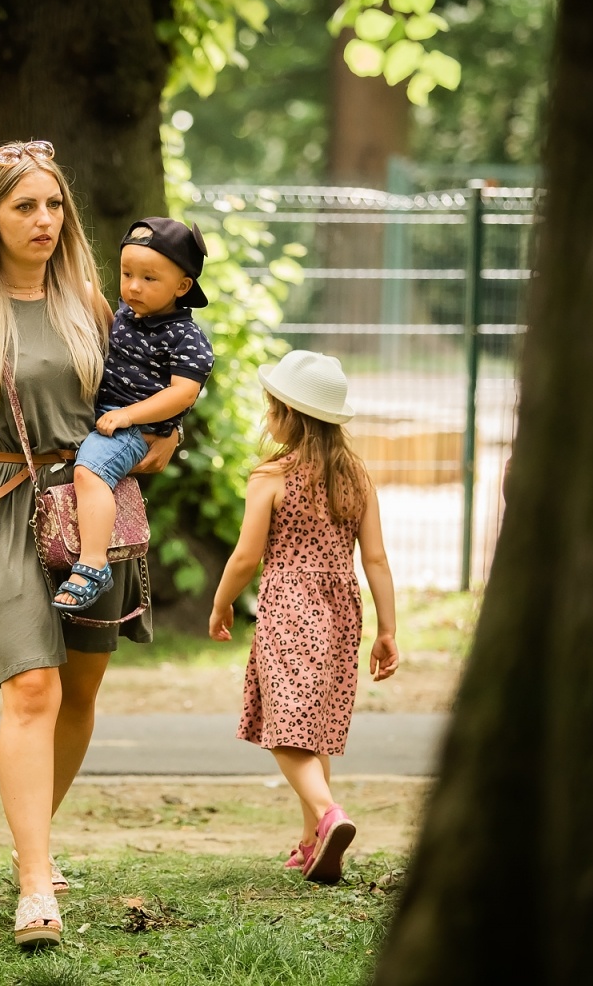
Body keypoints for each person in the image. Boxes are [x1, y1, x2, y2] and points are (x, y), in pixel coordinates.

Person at [0, 139, 179, 948]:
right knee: (33, 690)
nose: (44, 220)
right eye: (24, 205)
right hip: (7, 512)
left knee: (83, 693)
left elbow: (141, 393)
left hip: (95, 509)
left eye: (54, 205)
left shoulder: (93, 306)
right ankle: (35, 887)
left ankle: (36, 845)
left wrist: (162, 436)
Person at [207, 350, 401, 884]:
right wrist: (387, 630)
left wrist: (222, 602)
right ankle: (312, 842)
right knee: (311, 728)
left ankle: (328, 813)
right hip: (342, 612)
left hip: (289, 607)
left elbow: (247, 556)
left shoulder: (271, 476)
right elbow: (377, 559)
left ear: (288, 416)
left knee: (283, 729)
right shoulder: (357, 477)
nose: (268, 419)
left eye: (272, 409)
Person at [51, 218, 214, 612]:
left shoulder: (186, 338)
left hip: (134, 428)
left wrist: (128, 416)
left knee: (90, 473)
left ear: (182, 286)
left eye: (149, 278)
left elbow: (183, 393)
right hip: (110, 416)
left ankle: (92, 563)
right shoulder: (127, 314)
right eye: (127, 274)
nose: (133, 286)